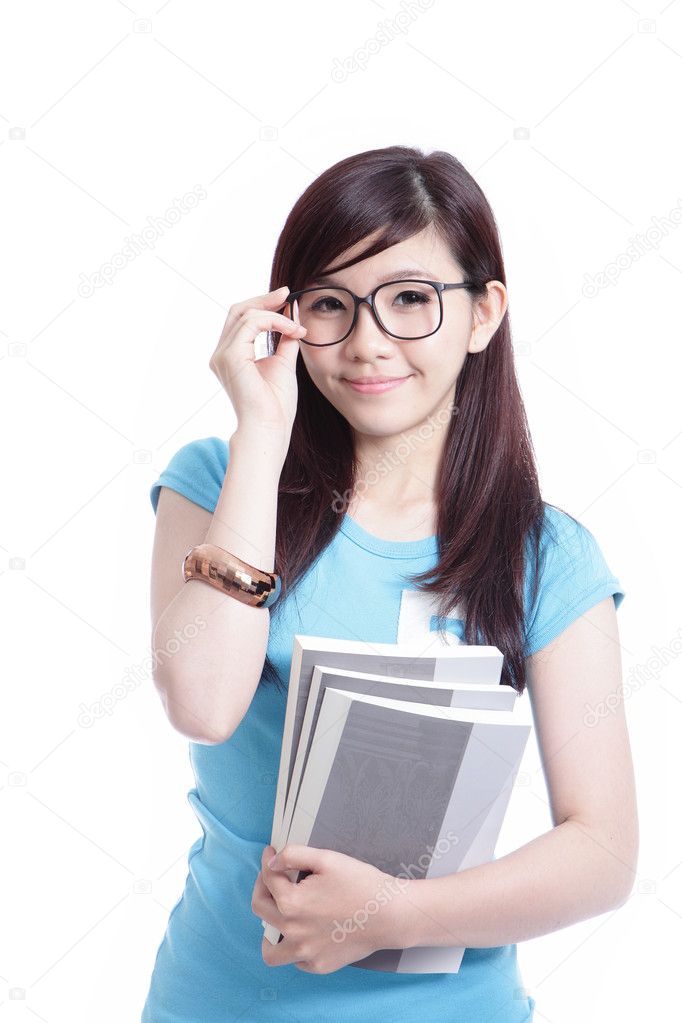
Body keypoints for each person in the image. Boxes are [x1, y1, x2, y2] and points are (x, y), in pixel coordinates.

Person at [141, 145, 637, 1022]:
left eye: (411, 299)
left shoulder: (546, 554)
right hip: (222, 1001)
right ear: (288, 319)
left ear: (483, 314)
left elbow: (601, 850)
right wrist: (262, 431)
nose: (368, 342)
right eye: (330, 304)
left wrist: (388, 915)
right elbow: (204, 703)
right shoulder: (219, 483)